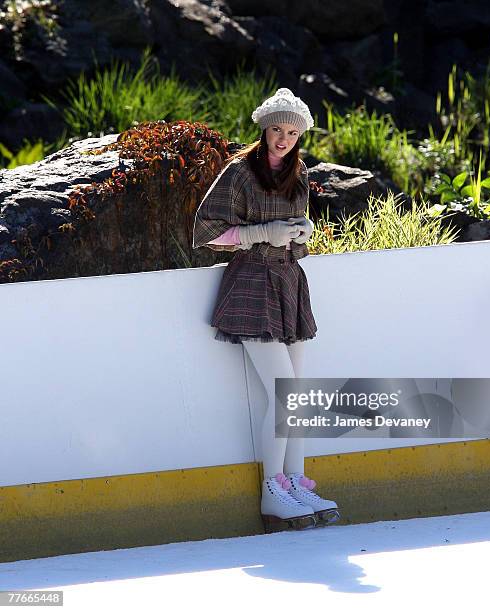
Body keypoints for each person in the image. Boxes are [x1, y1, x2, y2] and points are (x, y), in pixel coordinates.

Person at [192, 88, 340, 531]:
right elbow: (205, 233)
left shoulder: (301, 174)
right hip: (252, 285)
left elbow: (298, 244)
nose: (283, 139)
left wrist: (298, 233)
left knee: (297, 395)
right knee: (285, 392)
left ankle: (296, 484)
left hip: (290, 283)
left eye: (292, 132)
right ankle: (272, 493)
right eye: (277, 129)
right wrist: (262, 233)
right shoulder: (239, 172)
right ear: (264, 128)